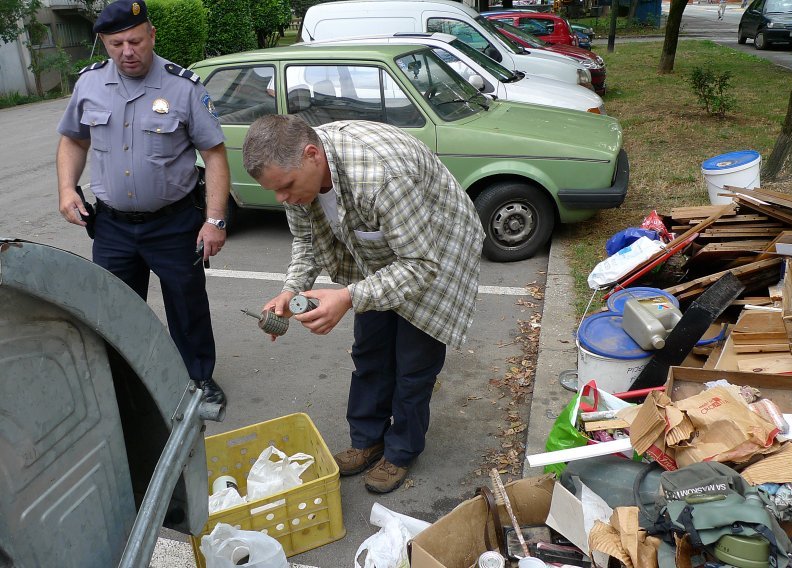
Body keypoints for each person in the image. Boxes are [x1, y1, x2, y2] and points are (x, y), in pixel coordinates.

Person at [242, 115, 484, 494]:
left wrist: (348, 296)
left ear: (312, 155)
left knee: (413, 363)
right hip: (378, 253)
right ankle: (368, 440)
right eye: (275, 191)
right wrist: (292, 289)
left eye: (286, 187)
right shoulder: (294, 178)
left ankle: (402, 450)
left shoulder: (380, 174)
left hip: (435, 249)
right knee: (370, 350)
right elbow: (306, 241)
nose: (282, 198)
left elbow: (420, 264)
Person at [55, 0, 231, 406]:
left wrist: (215, 221)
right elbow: (74, 140)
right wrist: (67, 188)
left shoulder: (183, 87)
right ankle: (125, 381)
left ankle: (198, 381)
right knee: (113, 306)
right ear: (104, 42)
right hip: (113, 225)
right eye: (116, 44)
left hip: (173, 223)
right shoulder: (89, 84)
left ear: (152, 35)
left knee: (187, 306)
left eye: (135, 40)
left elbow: (215, 154)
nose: (127, 51)